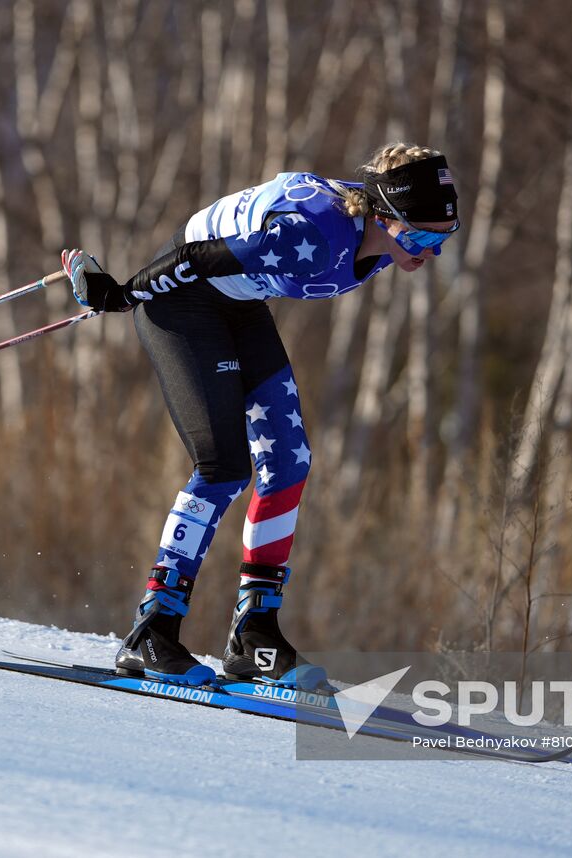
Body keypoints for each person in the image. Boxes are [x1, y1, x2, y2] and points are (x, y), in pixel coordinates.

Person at [61, 142, 459, 689]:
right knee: (224, 467)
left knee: (289, 464)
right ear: (384, 217)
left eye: (443, 238)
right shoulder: (310, 237)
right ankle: (151, 632)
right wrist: (123, 296)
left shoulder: (371, 236)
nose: (429, 251)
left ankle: (254, 636)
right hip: (183, 301)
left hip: (238, 305)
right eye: (420, 237)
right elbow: (193, 259)